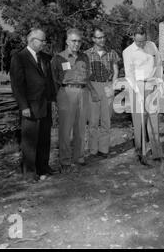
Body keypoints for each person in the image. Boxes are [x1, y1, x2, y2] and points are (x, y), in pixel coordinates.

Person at [10, 28, 56, 182]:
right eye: (41, 40)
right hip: (30, 106)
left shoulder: (45, 57)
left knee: (44, 139)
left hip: (45, 104)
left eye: (45, 40)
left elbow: (49, 81)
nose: (44, 43)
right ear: (31, 40)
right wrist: (23, 106)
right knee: (30, 141)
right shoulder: (19, 58)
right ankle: (30, 173)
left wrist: (52, 100)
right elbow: (17, 85)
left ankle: (43, 167)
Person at [51, 28, 98, 173]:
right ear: (67, 41)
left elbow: (87, 78)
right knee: (66, 129)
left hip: (83, 92)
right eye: (73, 41)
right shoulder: (58, 58)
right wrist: (54, 99)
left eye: (78, 41)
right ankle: (65, 161)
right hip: (66, 92)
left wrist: (92, 91)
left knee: (81, 127)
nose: (76, 44)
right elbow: (53, 80)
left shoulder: (84, 57)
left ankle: (79, 156)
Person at [122, 25, 163, 165]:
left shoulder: (152, 46)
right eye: (139, 41)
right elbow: (129, 74)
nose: (141, 44)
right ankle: (140, 151)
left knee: (153, 119)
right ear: (133, 36)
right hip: (137, 85)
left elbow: (158, 64)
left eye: (143, 40)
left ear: (146, 37)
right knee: (139, 121)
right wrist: (137, 92)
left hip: (151, 83)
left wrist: (160, 81)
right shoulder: (127, 52)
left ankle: (157, 152)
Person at [84, 27, 120, 158]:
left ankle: (104, 149)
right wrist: (91, 90)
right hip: (92, 86)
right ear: (93, 39)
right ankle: (93, 150)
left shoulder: (111, 53)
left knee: (106, 120)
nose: (102, 39)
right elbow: (84, 74)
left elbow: (115, 71)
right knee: (93, 121)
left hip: (107, 85)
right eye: (99, 37)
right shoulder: (86, 54)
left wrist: (112, 87)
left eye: (103, 37)